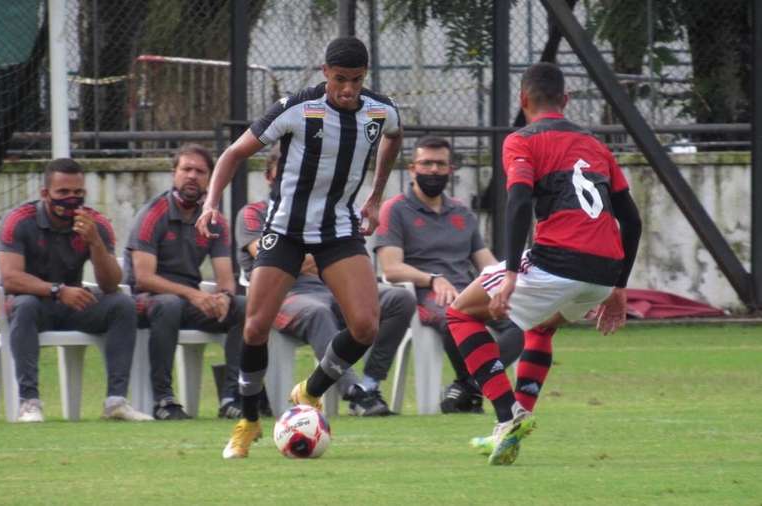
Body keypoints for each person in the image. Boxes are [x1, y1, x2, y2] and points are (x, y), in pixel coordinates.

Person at [196, 36, 403, 459]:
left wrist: (377, 196)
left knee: (365, 325)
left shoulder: (380, 111)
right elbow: (234, 154)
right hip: (285, 232)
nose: (348, 89)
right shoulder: (297, 109)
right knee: (255, 327)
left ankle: (309, 392)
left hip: (339, 232)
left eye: (357, 81)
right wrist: (211, 202)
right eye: (341, 79)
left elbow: (394, 138)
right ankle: (248, 421)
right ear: (326, 73)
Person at [445, 62, 642, 465]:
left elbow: (518, 202)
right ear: (565, 101)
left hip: (558, 261)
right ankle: (513, 435)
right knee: (542, 325)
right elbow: (633, 220)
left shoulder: (522, 140)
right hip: (604, 273)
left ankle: (506, 417)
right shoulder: (597, 146)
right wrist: (619, 287)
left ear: (523, 100)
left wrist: (512, 274)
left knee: (460, 314)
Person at [236, 145, 415, 416]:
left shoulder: (325, 211)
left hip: (330, 289)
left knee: (398, 299)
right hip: (286, 297)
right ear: (269, 177)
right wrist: (324, 256)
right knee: (317, 312)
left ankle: (370, 383)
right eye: (283, 173)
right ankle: (353, 392)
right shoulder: (253, 213)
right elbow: (269, 258)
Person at [375, 135, 524, 414]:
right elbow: (391, 269)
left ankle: (470, 384)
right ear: (412, 168)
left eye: (440, 164)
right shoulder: (394, 209)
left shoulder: (462, 212)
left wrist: (512, 284)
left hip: (468, 293)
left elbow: (488, 265)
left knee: (522, 320)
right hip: (424, 295)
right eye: (426, 163)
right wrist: (432, 278)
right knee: (453, 317)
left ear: (450, 169)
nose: (433, 170)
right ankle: (474, 385)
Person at [0, 158, 152, 422]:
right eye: (63, 193)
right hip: (33, 304)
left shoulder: (96, 223)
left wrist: (95, 242)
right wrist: (57, 290)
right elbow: (10, 278)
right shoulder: (20, 221)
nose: (71, 199)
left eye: (78, 193)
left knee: (122, 304)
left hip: (73, 305)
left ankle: (116, 401)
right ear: (45, 194)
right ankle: (30, 402)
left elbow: (110, 284)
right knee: (25, 305)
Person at [122, 144, 247, 420]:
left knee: (244, 306)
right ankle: (164, 400)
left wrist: (223, 298)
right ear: (173, 174)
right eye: (186, 169)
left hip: (187, 301)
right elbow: (144, 278)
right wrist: (195, 295)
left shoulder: (215, 220)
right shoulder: (153, 213)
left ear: (211, 179)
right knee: (168, 305)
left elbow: (226, 279)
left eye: (200, 171)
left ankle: (231, 397)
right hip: (145, 301)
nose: (192, 176)